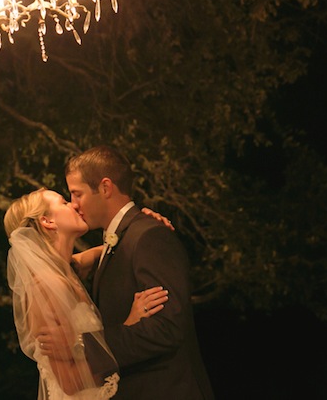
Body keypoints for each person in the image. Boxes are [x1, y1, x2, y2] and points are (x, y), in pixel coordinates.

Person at [60, 145, 214, 399]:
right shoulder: (120, 240)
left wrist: (87, 348)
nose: (74, 205)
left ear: (106, 188)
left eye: (78, 194)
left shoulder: (150, 235)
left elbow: (166, 328)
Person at [4, 188, 169, 399]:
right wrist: (129, 324)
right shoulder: (46, 287)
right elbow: (70, 383)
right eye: (63, 202)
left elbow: (105, 248)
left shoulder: (69, 268)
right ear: (47, 221)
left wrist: (140, 223)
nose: (73, 205)